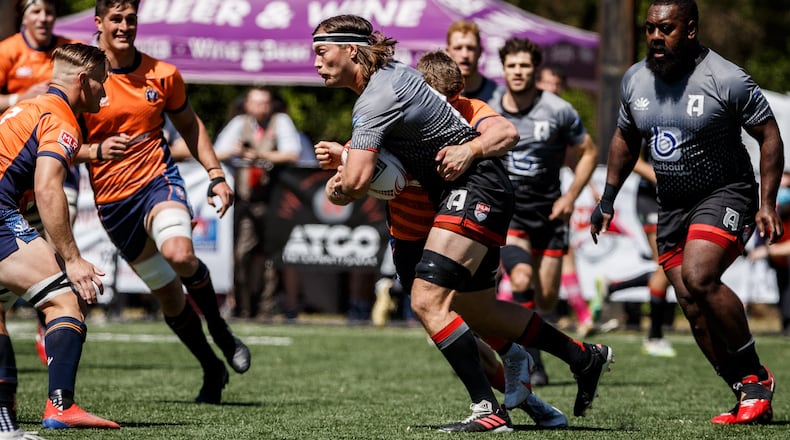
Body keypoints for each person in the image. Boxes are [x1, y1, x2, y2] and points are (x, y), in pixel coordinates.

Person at [312, 14, 612, 432]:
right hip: (444, 210)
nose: (316, 62)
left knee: (427, 302)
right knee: (478, 312)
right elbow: (367, 171)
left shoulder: (379, 98)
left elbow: (361, 179)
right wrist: (345, 169)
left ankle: (487, 409)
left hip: (474, 190)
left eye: (322, 51)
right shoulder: (388, 85)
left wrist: (346, 181)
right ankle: (582, 356)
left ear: (350, 50)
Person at [590, 0, 782, 425]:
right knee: (692, 305)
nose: (656, 37)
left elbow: (769, 135)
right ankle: (746, 390)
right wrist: (607, 200)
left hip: (727, 193)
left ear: (690, 30)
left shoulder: (725, 78)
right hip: (673, 205)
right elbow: (625, 138)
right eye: (650, 29)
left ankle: (756, 378)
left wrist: (767, 203)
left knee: (699, 275)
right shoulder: (635, 79)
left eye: (667, 29)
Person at [79, 0, 250, 404]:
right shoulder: (82, 79)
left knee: (179, 254)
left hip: (158, 183)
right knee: (169, 296)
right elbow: (59, 145)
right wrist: (95, 151)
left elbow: (190, 125)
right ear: (99, 22)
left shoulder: (164, 74)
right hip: (114, 204)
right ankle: (211, 367)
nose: (124, 26)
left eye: (131, 19)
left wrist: (216, 175)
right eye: (116, 19)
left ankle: (220, 329)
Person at [0, 43, 120, 436]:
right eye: (101, 82)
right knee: (64, 301)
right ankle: (61, 406)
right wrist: (72, 258)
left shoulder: (29, 108)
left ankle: (3, 417)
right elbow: (48, 188)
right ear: (83, 81)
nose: (104, 91)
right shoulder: (62, 118)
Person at [490, 37, 599, 387]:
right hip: (511, 214)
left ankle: (533, 345)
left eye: (524, 66)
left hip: (550, 216)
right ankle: (532, 364)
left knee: (547, 297)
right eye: (512, 66)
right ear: (503, 69)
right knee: (521, 280)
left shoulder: (558, 109)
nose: (518, 72)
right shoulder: (489, 107)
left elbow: (589, 152)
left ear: (535, 70)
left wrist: (571, 197)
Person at [0, 0, 85, 366]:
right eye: (36, 10)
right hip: (15, 173)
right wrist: (18, 98)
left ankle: (47, 315)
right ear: (23, 16)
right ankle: (52, 303)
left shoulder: (68, 52)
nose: (44, 17)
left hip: (52, 167)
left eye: (49, 11)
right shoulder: (7, 52)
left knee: (58, 227)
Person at [213, 86, 303, 320]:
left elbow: (293, 153)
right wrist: (234, 152)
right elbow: (215, 152)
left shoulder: (280, 122)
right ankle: (243, 307)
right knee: (241, 253)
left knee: (272, 255)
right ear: (247, 104)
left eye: (264, 103)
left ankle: (266, 308)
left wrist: (260, 156)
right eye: (255, 102)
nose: (260, 108)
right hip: (247, 200)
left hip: (275, 199)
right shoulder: (239, 123)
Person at [535, 64, 595, 340]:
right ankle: (495, 317)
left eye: (557, 84)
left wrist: (590, 187)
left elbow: (577, 155)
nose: (552, 88)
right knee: (514, 262)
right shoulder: (522, 110)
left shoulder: (563, 114)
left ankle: (583, 316)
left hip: (553, 197)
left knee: (565, 254)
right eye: (548, 82)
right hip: (522, 200)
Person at [748, 170, 790, 336]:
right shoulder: (773, 215)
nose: (785, 192)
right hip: (780, 264)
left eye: (788, 187)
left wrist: (768, 251)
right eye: (781, 187)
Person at [445, 20, 502, 102]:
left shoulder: (500, 97)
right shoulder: (436, 95)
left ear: (480, 51)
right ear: (447, 52)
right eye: (458, 48)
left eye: (470, 48)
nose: (465, 55)